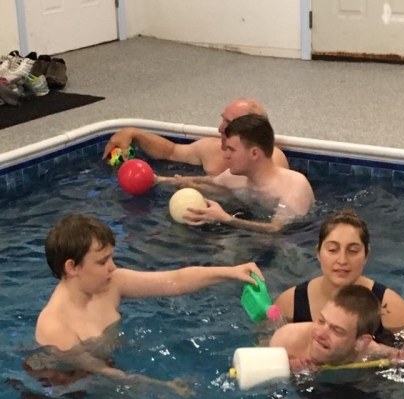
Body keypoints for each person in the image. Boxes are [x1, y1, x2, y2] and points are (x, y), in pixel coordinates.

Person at [33, 213, 264, 383]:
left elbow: (175, 281)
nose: (113, 267)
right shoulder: (55, 326)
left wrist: (231, 272)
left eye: (111, 258)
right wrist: (164, 387)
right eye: (102, 262)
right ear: (72, 267)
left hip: (108, 365)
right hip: (69, 385)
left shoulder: (111, 284)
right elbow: (105, 375)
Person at [274, 209, 404, 344]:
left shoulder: (390, 309)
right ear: (318, 253)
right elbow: (269, 350)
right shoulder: (290, 304)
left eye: (353, 251)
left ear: (366, 255)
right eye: (332, 250)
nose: (342, 260)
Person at [157, 114, 315, 234]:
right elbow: (209, 181)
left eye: (231, 150)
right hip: (249, 230)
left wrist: (226, 219)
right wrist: (160, 180)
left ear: (254, 153)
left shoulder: (294, 185)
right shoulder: (236, 177)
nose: (226, 156)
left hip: (293, 240)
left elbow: (276, 229)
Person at [102, 97, 289, 175]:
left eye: (229, 124)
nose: (220, 129)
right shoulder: (211, 148)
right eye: (222, 120)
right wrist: (133, 132)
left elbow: (242, 188)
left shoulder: (273, 158)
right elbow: (170, 151)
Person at [270, 284, 404, 372]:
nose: (320, 333)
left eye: (337, 330)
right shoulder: (286, 341)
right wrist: (287, 368)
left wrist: (403, 361)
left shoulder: (373, 353)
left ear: (361, 342)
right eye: (321, 321)